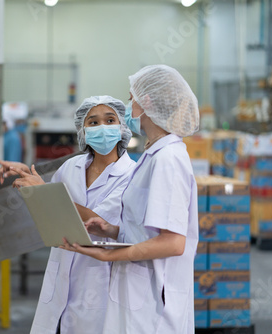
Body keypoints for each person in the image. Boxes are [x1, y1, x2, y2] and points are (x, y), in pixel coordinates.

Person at [60, 65, 200, 334]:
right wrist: (112, 231)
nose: (129, 106)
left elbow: (173, 242)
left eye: (131, 98)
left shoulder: (168, 159)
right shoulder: (152, 156)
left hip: (154, 307)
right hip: (136, 298)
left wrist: (111, 255)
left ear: (146, 102)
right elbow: (148, 229)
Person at [0, 96, 136, 334]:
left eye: (110, 120)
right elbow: (51, 204)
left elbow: (97, 222)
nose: (102, 128)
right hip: (61, 275)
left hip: (99, 283)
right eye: (93, 122)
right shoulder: (72, 166)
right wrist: (26, 173)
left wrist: (44, 190)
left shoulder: (132, 175)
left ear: (121, 129)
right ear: (82, 130)